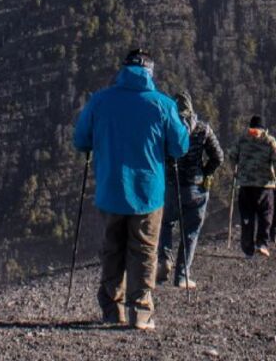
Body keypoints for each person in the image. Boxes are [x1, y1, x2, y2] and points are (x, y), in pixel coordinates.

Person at [72, 48, 190, 330]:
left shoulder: (100, 101)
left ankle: (112, 309)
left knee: (112, 249)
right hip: (147, 194)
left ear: (122, 71)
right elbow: (180, 147)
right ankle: (140, 312)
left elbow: (80, 140)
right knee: (144, 251)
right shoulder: (162, 105)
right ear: (150, 72)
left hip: (110, 191)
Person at [157, 93, 224, 289]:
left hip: (170, 186)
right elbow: (218, 157)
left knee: (166, 223)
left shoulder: (167, 129)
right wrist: (204, 172)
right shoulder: (203, 129)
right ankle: (182, 276)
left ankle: (164, 258)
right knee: (190, 232)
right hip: (195, 188)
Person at [230, 115, 276, 257]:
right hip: (265, 186)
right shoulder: (269, 141)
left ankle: (248, 249)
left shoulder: (242, 140)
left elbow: (232, 156)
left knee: (247, 217)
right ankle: (262, 243)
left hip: (246, 185)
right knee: (266, 215)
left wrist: (236, 172)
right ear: (263, 128)